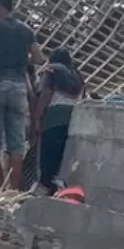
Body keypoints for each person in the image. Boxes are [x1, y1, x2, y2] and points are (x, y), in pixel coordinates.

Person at [0, 0, 45, 190]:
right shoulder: (25, 30)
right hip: (18, 88)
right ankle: (13, 191)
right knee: (16, 145)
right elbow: (39, 59)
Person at [31, 47, 85, 193]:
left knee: (47, 156)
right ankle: (57, 187)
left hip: (54, 116)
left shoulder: (51, 70)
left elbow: (46, 94)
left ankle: (46, 186)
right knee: (61, 156)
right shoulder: (77, 74)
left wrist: (37, 118)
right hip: (73, 117)